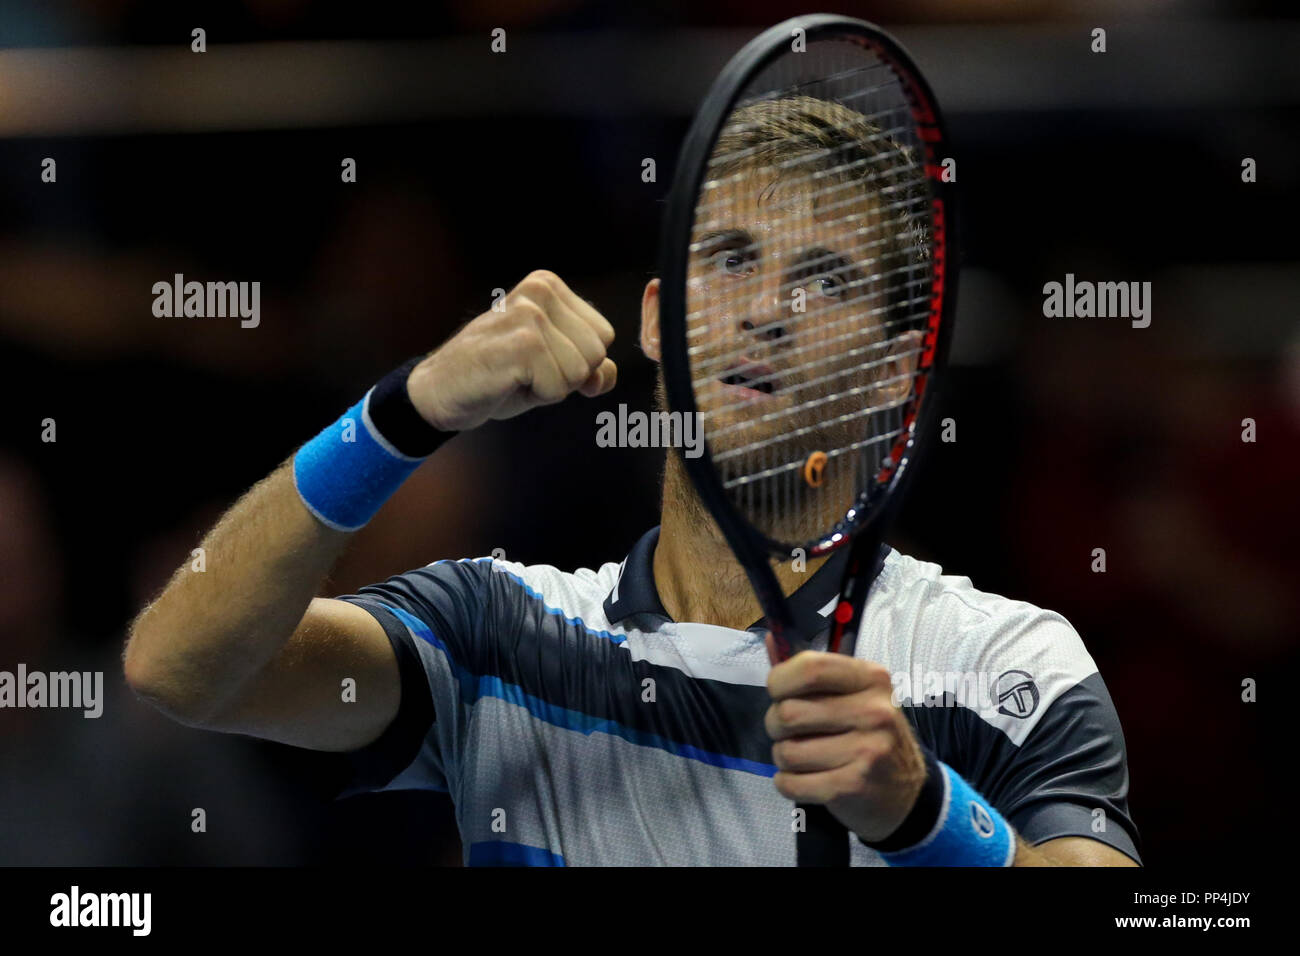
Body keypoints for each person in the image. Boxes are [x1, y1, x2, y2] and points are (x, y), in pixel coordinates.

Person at [124, 100, 1140, 867]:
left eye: (824, 278)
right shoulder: (500, 633)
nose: (765, 310)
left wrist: (928, 817)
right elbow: (183, 666)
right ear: (657, 322)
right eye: (731, 259)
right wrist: (401, 414)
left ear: (894, 373)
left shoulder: (1007, 658)